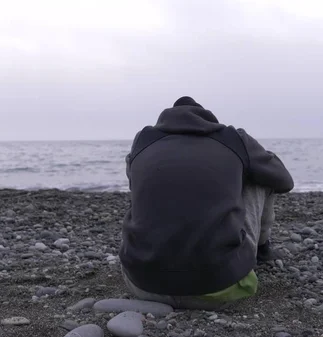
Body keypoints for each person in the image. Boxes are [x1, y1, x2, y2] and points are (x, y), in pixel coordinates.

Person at [119, 96, 294, 310]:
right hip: (222, 286)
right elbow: (284, 181)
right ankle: (262, 248)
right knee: (261, 178)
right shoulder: (232, 138)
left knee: (148, 183)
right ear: (208, 119)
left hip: (143, 286)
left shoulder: (143, 141)